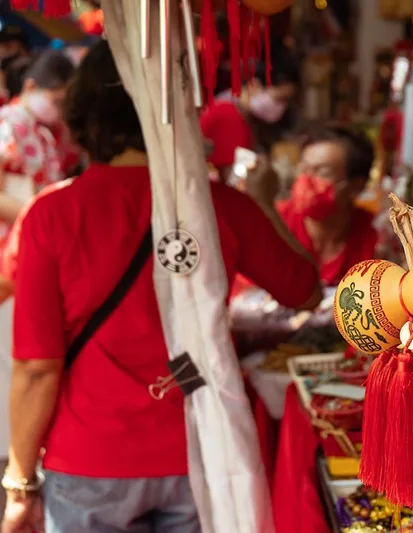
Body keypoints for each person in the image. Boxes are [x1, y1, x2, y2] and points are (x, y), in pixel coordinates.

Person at [1, 39, 320, 533]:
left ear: (84, 114)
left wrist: (20, 483)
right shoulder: (221, 206)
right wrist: (264, 202)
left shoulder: (52, 215)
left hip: (90, 459)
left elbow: (38, 368)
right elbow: (305, 291)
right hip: (200, 450)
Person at [278, 124, 378, 286]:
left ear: (356, 186)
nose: (306, 180)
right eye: (304, 170)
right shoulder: (275, 221)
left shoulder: (376, 238)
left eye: (323, 173)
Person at [0, 49, 78, 226]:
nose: (60, 110)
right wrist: (39, 218)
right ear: (30, 87)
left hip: (43, 232)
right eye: (56, 101)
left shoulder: (56, 130)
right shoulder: (6, 123)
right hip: (13, 239)